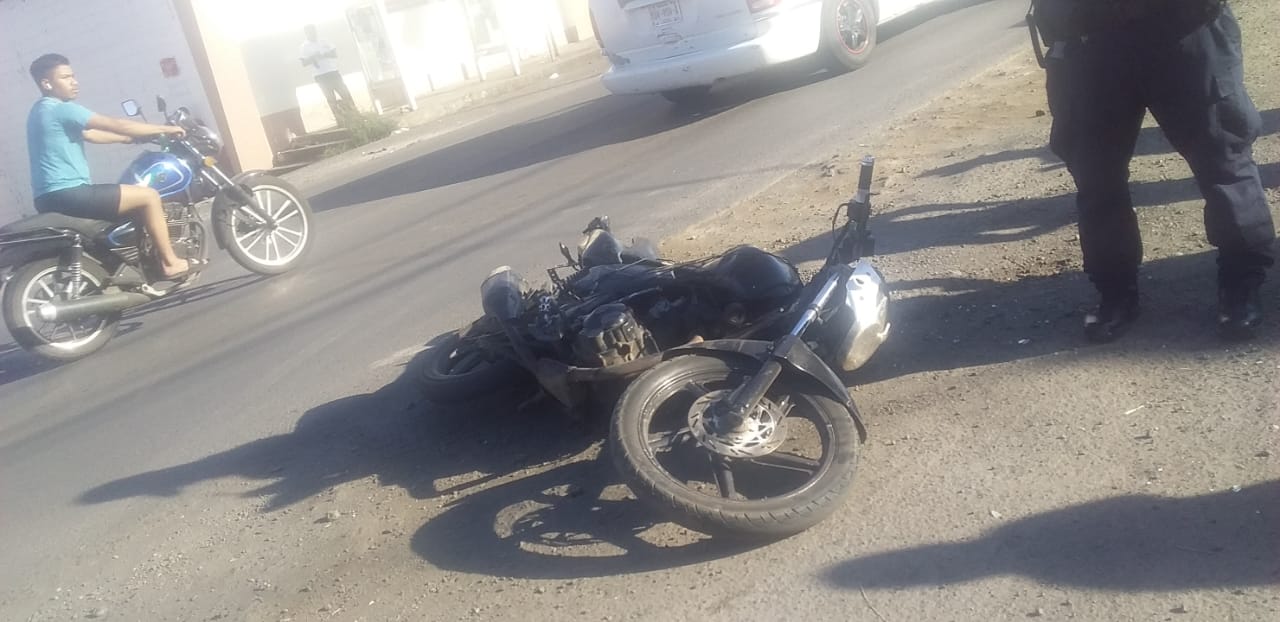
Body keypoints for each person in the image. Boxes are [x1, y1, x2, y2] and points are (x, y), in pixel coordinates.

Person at [1034, 0, 1276, 342]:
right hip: (1086, 39)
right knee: (1095, 174)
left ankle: (1242, 284)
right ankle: (1115, 291)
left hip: (1183, 25)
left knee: (1222, 158)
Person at [26, 53, 192, 280]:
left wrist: (128, 140)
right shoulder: (62, 108)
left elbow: (90, 134)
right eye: (66, 77)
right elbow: (117, 124)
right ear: (46, 84)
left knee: (130, 201)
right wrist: (164, 129)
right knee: (150, 196)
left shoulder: (39, 111)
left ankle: (137, 259)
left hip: (46, 197)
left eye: (73, 76)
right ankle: (170, 263)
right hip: (71, 192)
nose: (75, 82)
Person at [300, 24, 355, 123]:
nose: (312, 33)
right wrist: (313, 57)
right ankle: (341, 121)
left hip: (332, 71)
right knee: (331, 99)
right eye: (309, 32)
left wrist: (324, 54)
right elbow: (304, 63)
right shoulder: (304, 46)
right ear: (306, 33)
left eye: (313, 31)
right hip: (320, 76)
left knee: (345, 93)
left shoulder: (324, 41)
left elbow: (334, 54)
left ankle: (355, 115)